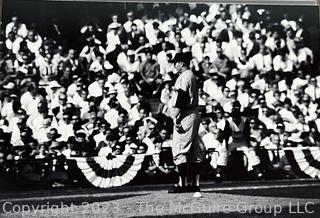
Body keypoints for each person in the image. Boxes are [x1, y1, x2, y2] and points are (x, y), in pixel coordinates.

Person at [168, 53, 202, 197]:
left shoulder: (184, 76)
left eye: (175, 63)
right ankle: (194, 184)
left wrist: (175, 117)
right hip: (192, 112)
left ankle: (182, 184)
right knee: (193, 151)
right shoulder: (191, 75)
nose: (174, 65)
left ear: (181, 63)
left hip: (185, 114)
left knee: (179, 149)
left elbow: (181, 98)